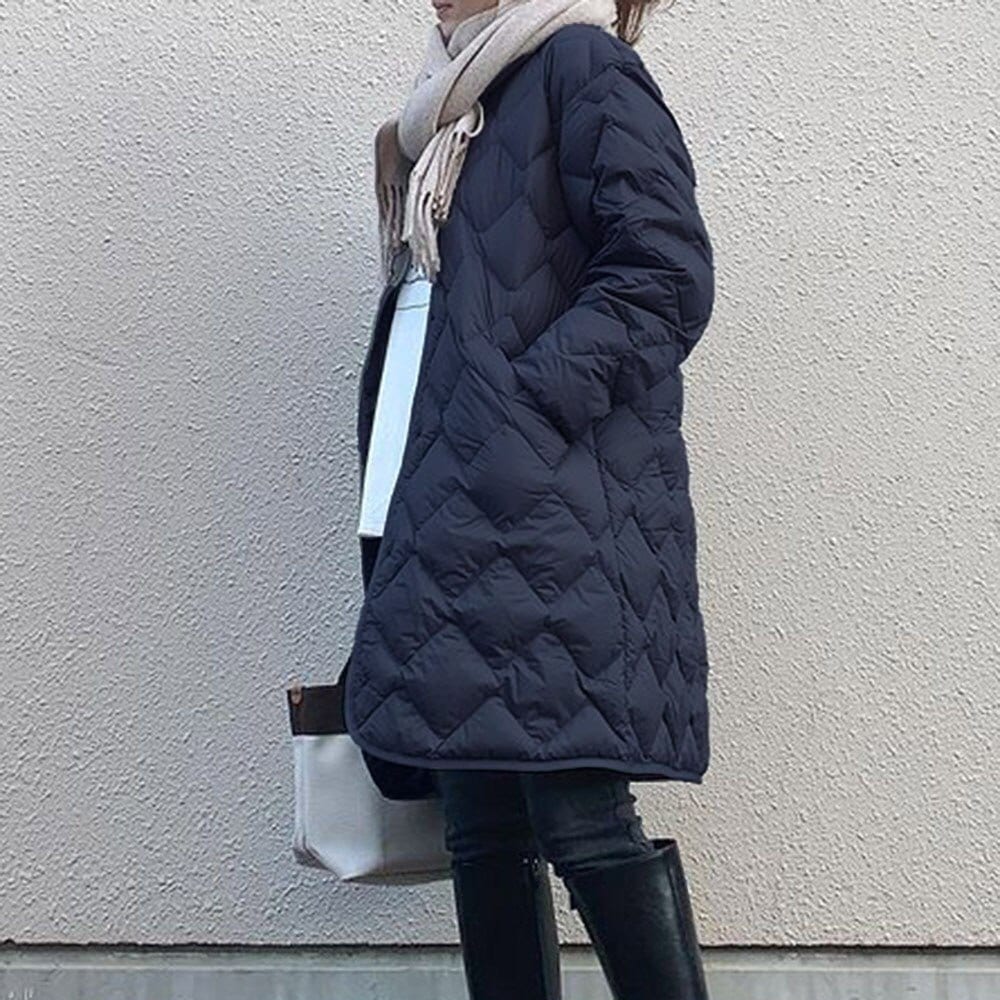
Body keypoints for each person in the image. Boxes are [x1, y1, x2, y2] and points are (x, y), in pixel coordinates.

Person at [345, 0, 716, 996]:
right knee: (479, 825)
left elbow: (664, 272)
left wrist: (525, 407)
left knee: (581, 816)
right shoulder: (446, 117)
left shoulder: (579, 68)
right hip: (442, 509)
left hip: (547, 518)